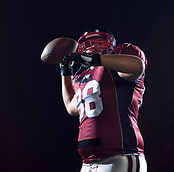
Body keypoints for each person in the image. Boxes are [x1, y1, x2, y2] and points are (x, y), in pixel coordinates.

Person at [60, 27, 148, 172]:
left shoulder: (122, 53)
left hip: (120, 155)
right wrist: (65, 71)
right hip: (88, 161)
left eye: (99, 43)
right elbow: (71, 106)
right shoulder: (83, 76)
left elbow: (137, 67)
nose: (93, 47)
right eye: (89, 44)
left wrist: (97, 59)